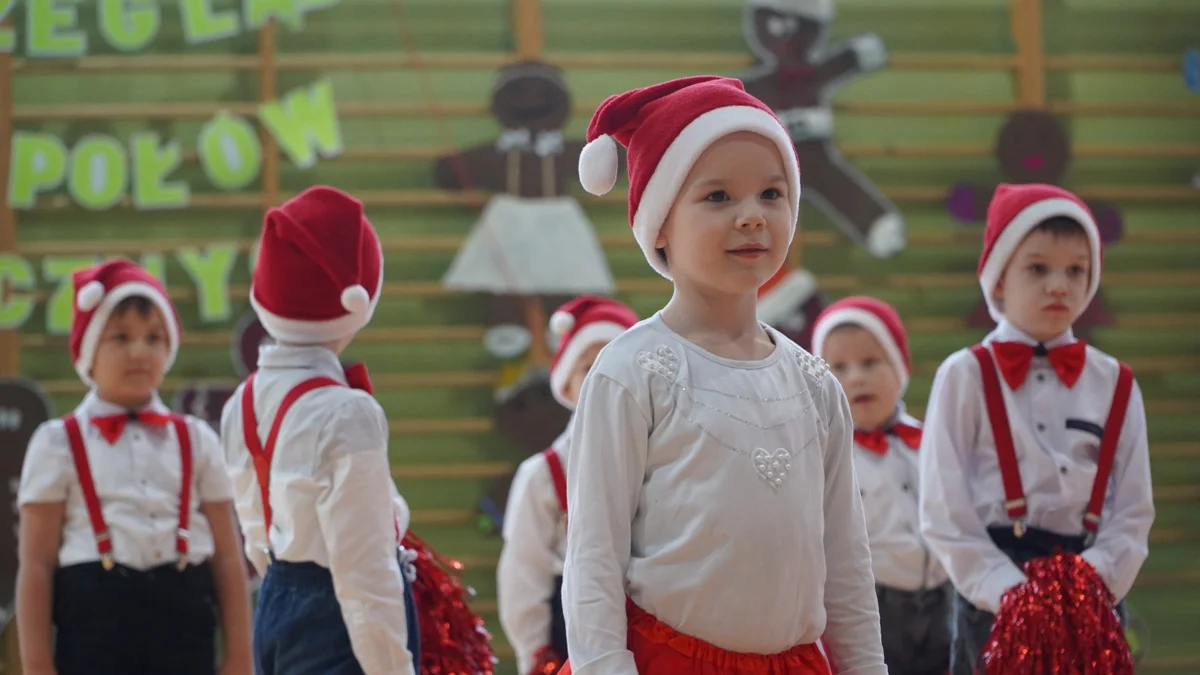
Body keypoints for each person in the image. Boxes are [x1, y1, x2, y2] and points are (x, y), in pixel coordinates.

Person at [560, 76, 886, 675]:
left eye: (771, 193)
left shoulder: (816, 383)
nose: (752, 217)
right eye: (718, 197)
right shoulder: (631, 371)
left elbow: (846, 562)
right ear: (659, 224)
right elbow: (593, 556)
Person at [919, 183, 1154, 674]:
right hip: (996, 597)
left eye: (1076, 270)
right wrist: (1009, 594)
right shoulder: (963, 375)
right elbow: (944, 511)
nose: (1058, 285)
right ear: (998, 279)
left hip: (1090, 593)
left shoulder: (1117, 383)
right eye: (1038, 267)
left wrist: (1093, 582)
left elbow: (1133, 512)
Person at [220, 186, 421, 675]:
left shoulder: (241, 402)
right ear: (358, 299)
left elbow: (255, 534)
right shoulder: (347, 413)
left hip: (275, 604)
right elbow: (364, 569)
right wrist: (393, 667)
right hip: (340, 624)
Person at [16, 259, 252, 675]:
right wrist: (37, 665)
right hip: (92, 633)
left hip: (185, 628)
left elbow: (229, 560)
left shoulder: (197, 439)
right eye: (120, 337)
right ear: (89, 353)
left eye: (154, 337)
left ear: (170, 349)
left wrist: (239, 658)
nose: (139, 351)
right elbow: (36, 565)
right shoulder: (56, 443)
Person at [497, 295, 639, 675]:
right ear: (567, 384)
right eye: (589, 368)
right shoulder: (543, 475)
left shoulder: (664, 460)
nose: (604, 382)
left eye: (617, 368)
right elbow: (522, 578)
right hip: (570, 644)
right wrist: (537, 655)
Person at [812, 296, 951, 675]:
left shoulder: (931, 443)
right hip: (873, 606)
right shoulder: (825, 458)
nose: (856, 377)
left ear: (901, 367)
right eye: (839, 367)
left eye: (871, 362)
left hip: (943, 599)